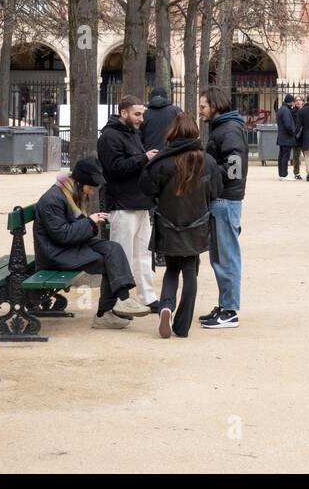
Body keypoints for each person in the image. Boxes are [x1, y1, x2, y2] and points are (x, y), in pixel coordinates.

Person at [33, 156, 146, 328]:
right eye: (91, 187)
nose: (92, 192)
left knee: (113, 248)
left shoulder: (69, 193)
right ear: (80, 182)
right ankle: (105, 314)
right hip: (55, 253)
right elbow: (62, 235)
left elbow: (72, 231)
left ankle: (122, 300)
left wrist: (92, 222)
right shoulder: (52, 199)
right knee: (106, 261)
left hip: (70, 245)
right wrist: (90, 222)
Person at [139, 114, 221, 339]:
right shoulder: (207, 161)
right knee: (190, 270)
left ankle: (166, 307)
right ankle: (183, 325)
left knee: (172, 269)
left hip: (168, 224)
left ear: (172, 133)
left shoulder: (162, 162)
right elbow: (216, 190)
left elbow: (146, 188)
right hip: (197, 225)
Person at [96, 96, 158, 312]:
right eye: (137, 114)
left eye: (142, 114)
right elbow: (114, 169)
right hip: (122, 206)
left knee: (143, 254)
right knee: (122, 256)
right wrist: (144, 158)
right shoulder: (109, 137)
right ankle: (120, 301)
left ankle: (148, 297)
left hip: (141, 203)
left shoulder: (132, 133)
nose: (141, 119)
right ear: (124, 113)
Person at [198, 86, 248, 329]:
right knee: (220, 255)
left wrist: (207, 176)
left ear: (215, 106)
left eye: (203, 106)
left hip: (225, 199)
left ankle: (230, 311)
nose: (200, 111)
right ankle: (225, 304)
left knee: (226, 256)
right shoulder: (224, 128)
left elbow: (235, 168)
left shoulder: (228, 130)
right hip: (222, 198)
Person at [140, 86, 181, 153]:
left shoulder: (144, 112)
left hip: (150, 155)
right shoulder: (176, 111)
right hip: (170, 154)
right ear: (166, 97)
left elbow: (139, 137)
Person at [275, 93, 300, 180]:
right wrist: (293, 132)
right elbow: (288, 125)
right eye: (293, 102)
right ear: (290, 102)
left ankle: (281, 174)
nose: (294, 104)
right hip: (286, 137)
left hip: (282, 137)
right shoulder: (286, 110)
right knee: (285, 156)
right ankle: (284, 174)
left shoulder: (281, 109)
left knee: (281, 155)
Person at [291, 95, 305, 177]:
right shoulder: (292, 112)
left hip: (305, 135)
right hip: (296, 136)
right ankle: (296, 173)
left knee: (308, 155)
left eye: (300, 100)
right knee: (296, 156)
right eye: (296, 100)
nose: (298, 102)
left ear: (303, 101)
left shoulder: (305, 111)